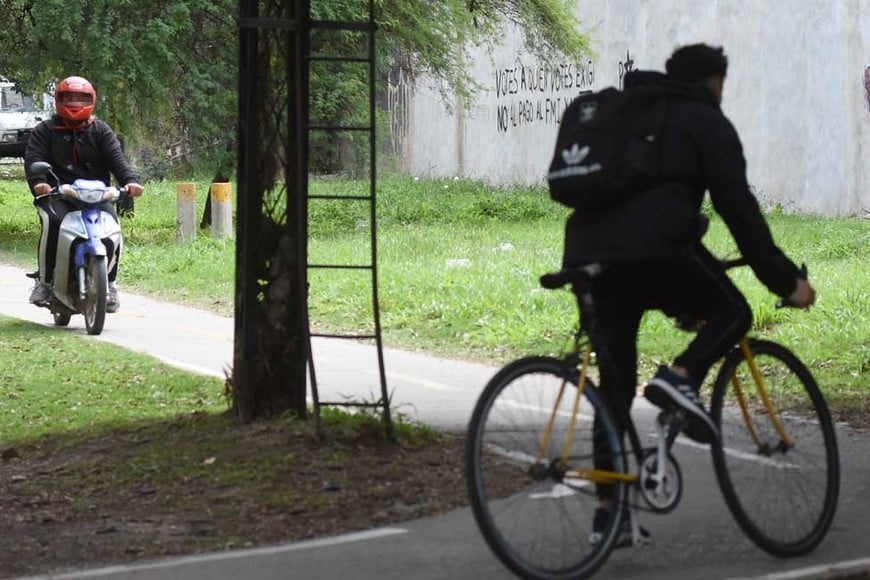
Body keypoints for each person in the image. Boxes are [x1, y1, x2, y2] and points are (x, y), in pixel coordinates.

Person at [563, 44, 815, 545]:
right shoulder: (705, 120)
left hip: (588, 253)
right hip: (656, 248)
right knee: (734, 310)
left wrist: (684, 299)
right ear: (716, 82)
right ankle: (681, 379)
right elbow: (739, 209)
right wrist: (786, 281)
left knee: (614, 384)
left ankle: (609, 514)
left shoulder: (632, 113)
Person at [24, 76, 144, 312]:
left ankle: (109, 284)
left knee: (112, 226)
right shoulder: (45, 130)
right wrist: (40, 183)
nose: (75, 102)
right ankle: (45, 283)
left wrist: (130, 182)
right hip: (58, 195)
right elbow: (34, 159)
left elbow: (117, 160)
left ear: (92, 100)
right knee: (53, 222)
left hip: (97, 197)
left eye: (81, 98)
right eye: (69, 97)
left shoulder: (100, 130)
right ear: (58, 100)